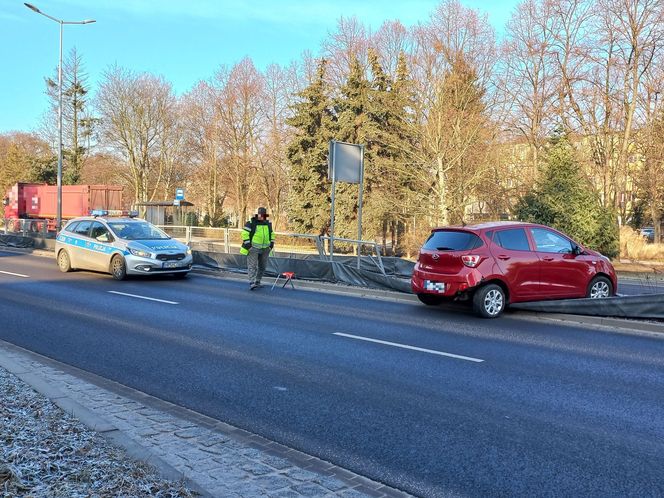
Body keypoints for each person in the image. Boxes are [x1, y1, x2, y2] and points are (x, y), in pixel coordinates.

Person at [240, 207, 275, 290]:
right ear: (257, 214)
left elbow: (272, 234)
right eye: (260, 214)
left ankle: (257, 281)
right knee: (252, 266)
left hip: (265, 248)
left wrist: (271, 245)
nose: (262, 216)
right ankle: (252, 282)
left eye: (263, 215)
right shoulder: (251, 223)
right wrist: (249, 246)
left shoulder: (268, 223)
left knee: (262, 267)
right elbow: (244, 234)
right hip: (253, 248)